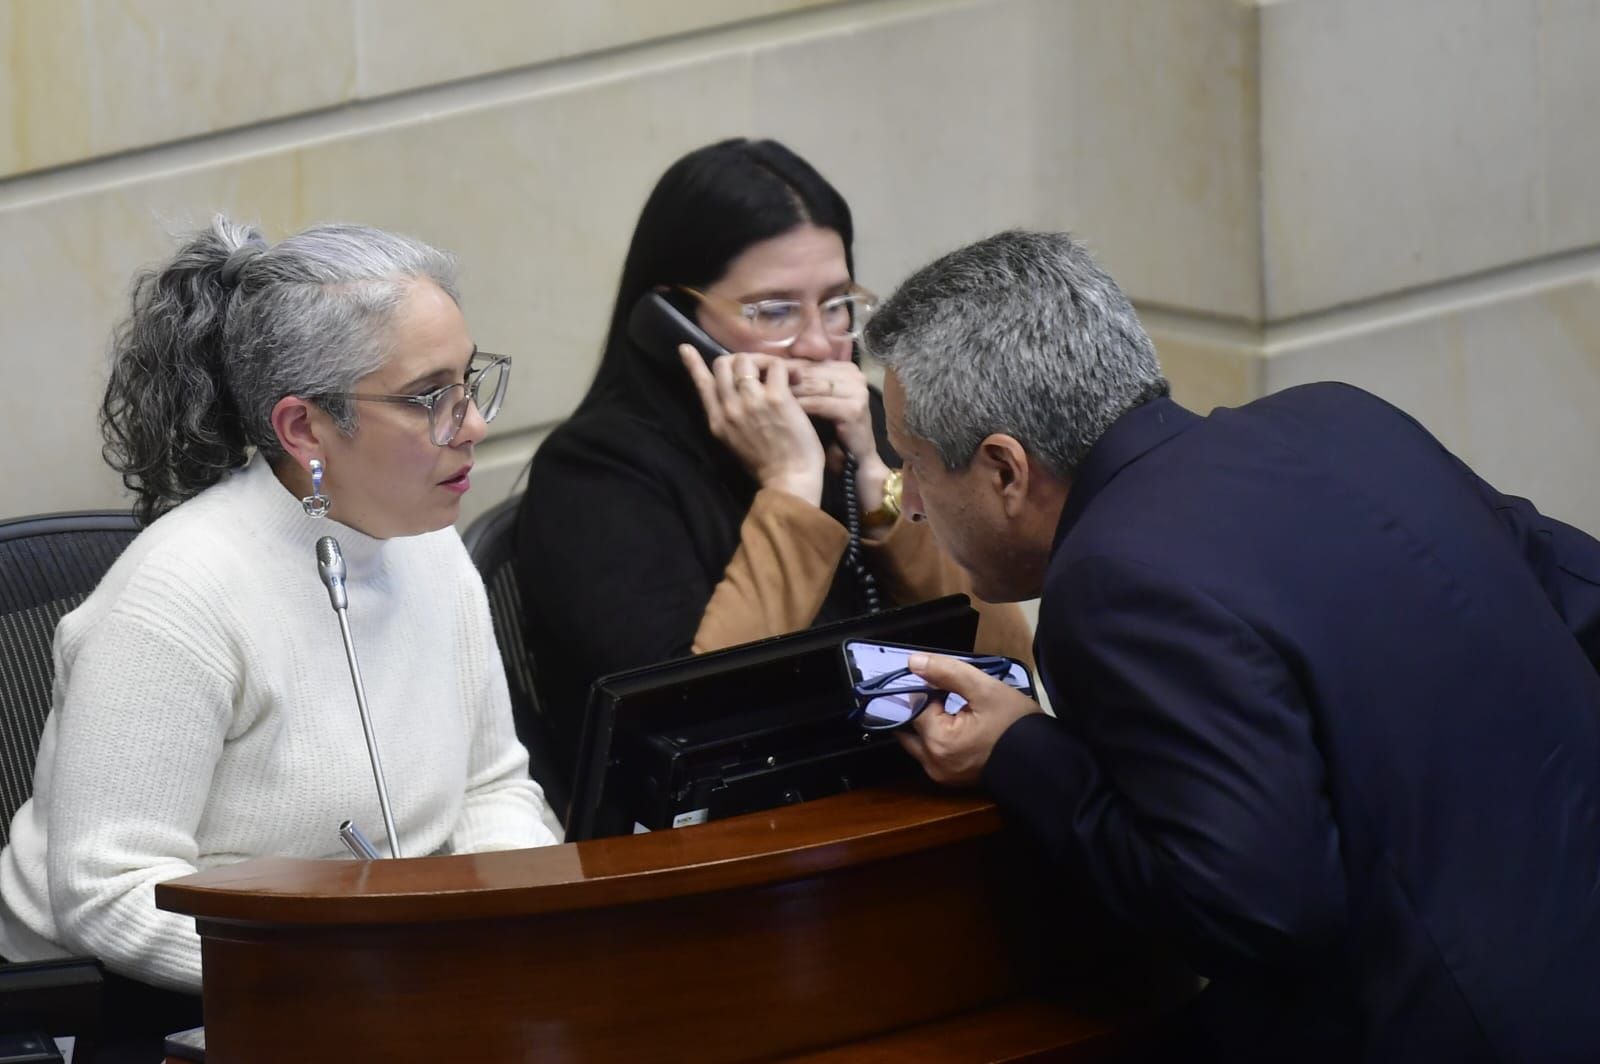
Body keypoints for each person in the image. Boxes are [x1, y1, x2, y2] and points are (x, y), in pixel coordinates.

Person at [862, 229, 1600, 1061]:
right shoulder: (1340, 418)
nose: (909, 502)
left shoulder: (1112, 579)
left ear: (1004, 470)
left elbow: (1258, 908)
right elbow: (1581, 597)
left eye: (913, 463)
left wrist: (1022, 748)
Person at [0, 217, 560, 1057]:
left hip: (389, 980)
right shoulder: (177, 595)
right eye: (429, 398)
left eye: (470, 382)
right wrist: (349, 959)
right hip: (155, 1015)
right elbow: (106, 891)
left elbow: (491, 789)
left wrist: (513, 922)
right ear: (303, 430)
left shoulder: (434, 549)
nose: (472, 423)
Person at [515, 139, 1032, 776]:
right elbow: (687, 725)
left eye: (837, 305)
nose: (819, 345)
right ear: (673, 320)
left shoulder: (871, 423)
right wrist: (789, 486)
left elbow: (1013, 677)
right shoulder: (595, 475)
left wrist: (881, 491)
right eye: (775, 311)